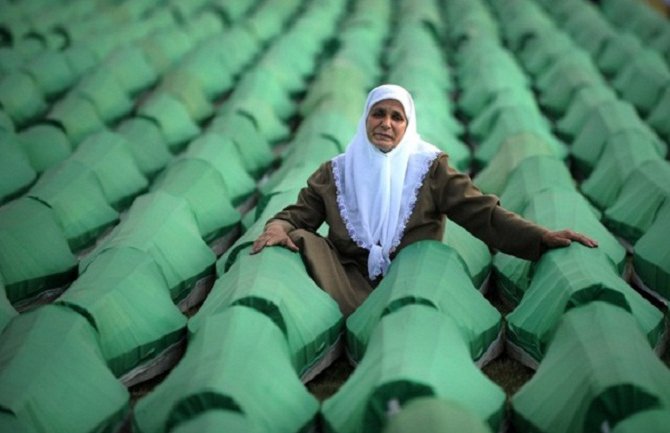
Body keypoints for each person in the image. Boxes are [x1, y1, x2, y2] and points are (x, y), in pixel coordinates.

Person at [251, 84, 598, 316]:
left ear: (407, 125)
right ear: (365, 118)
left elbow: (483, 214)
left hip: (410, 275)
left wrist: (540, 237)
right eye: (378, 114)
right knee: (295, 240)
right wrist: (277, 227)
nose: (386, 123)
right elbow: (297, 216)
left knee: (423, 280)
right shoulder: (337, 171)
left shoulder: (429, 169)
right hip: (346, 274)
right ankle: (339, 311)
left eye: (396, 117)